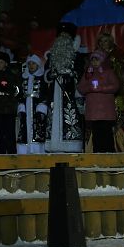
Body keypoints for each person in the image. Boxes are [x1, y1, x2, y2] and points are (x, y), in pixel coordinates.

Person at [44, 22, 86, 153]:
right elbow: (46, 74)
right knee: (54, 115)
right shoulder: (52, 56)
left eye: (66, 36)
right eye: (61, 35)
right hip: (54, 92)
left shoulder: (77, 56)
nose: (63, 39)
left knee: (70, 115)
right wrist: (51, 75)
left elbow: (81, 74)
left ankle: (71, 144)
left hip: (70, 92)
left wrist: (71, 74)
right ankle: (54, 144)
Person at [96, 32, 124, 152]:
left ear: (111, 41)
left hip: (117, 92)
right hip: (101, 94)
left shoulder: (119, 54)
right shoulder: (96, 56)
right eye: (101, 41)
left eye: (106, 41)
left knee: (116, 119)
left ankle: (118, 146)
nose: (103, 44)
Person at [77, 50, 119, 153]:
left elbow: (115, 86)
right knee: (96, 133)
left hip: (106, 110)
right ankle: (98, 153)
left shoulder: (108, 72)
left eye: (97, 60)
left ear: (102, 60)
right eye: (93, 60)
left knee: (106, 132)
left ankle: (109, 153)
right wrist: (89, 88)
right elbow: (80, 87)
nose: (95, 62)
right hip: (94, 111)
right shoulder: (88, 73)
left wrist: (102, 88)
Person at [16, 54, 50, 154]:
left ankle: (37, 150)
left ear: (38, 65)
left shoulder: (42, 78)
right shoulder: (23, 77)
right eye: (29, 64)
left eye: (33, 63)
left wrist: (42, 107)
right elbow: (20, 93)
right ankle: (24, 150)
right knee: (24, 127)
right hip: (26, 106)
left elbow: (45, 93)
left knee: (38, 127)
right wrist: (21, 106)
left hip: (37, 106)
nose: (31, 66)